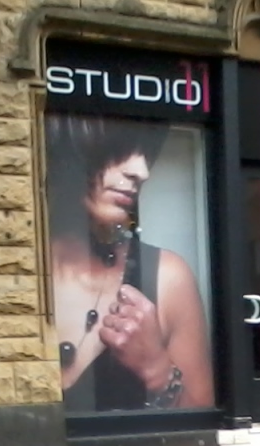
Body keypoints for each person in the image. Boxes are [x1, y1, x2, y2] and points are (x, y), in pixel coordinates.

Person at [45, 113, 214, 412]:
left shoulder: (165, 278)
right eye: (121, 148)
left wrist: (157, 370)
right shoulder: (4, 269)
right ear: (67, 147)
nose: (142, 170)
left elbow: (200, 432)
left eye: (147, 153)